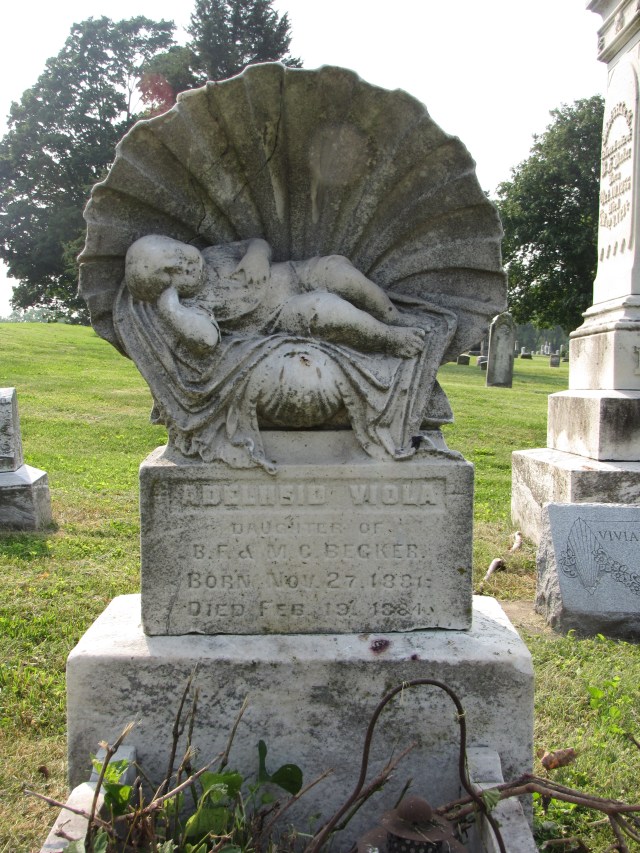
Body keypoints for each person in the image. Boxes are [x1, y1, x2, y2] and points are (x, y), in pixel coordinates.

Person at [124, 234, 427, 358]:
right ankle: (388, 337)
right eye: (170, 274)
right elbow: (206, 340)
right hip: (281, 314)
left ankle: (391, 315)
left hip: (297, 272)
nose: (183, 265)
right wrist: (170, 307)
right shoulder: (194, 305)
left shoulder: (214, 254)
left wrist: (256, 255)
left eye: (177, 253)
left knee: (338, 271)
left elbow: (257, 243)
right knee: (326, 309)